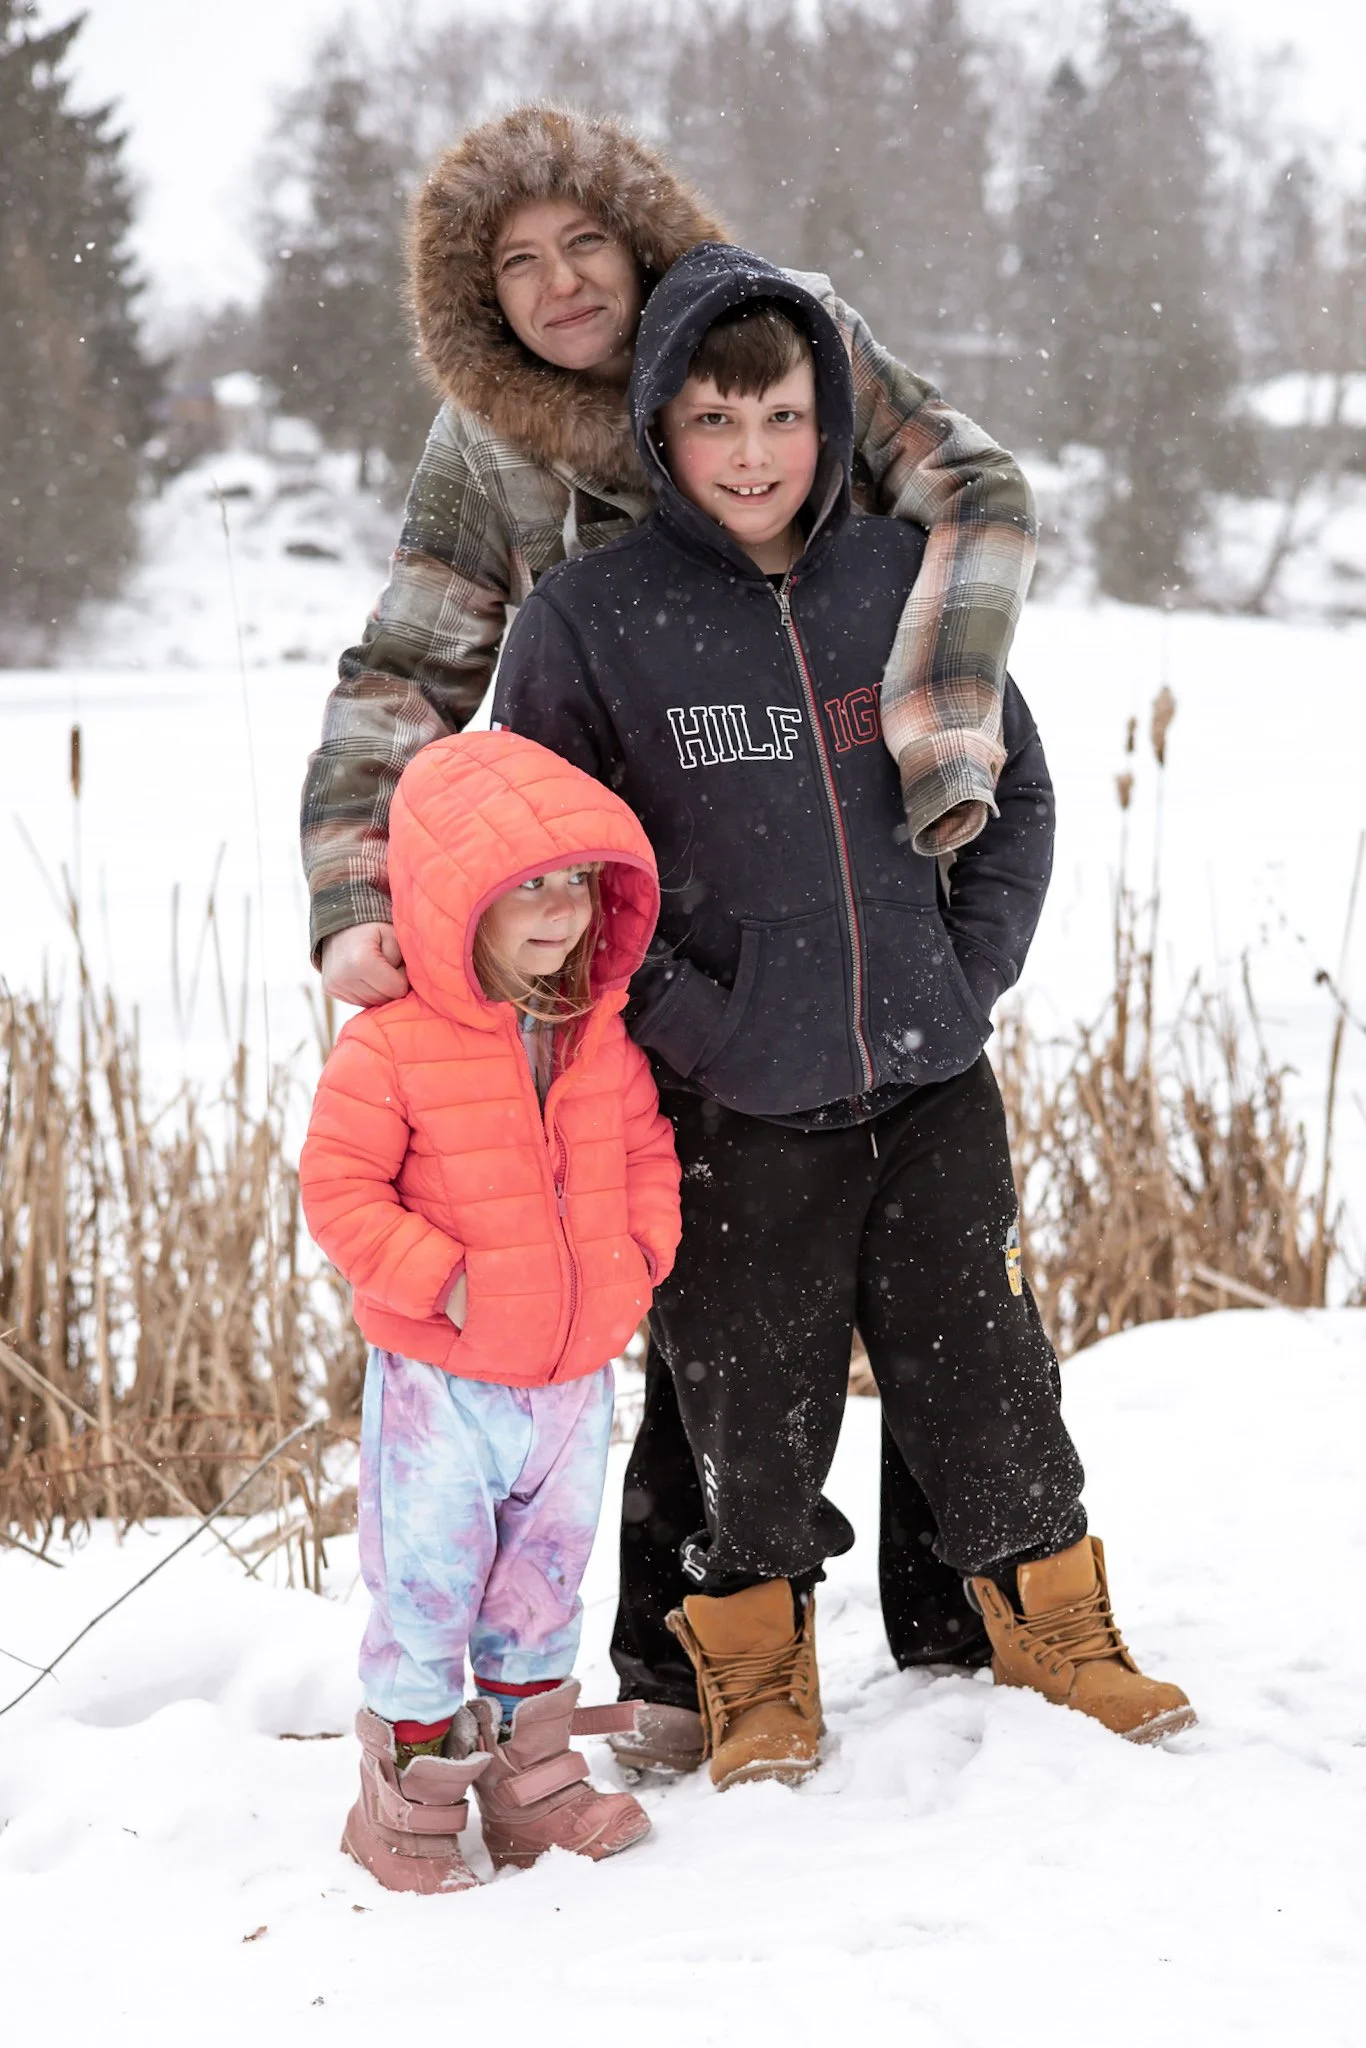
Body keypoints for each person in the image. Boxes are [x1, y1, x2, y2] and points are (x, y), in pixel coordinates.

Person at [300, 102, 1038, 1712]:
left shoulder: (797, 335)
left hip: (845, 891)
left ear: (641, 234)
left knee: (931, 1287)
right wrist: (362, 890)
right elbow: (408, 670)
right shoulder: (491, 448)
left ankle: (955, 1622)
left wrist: (942, 743)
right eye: (516, 264)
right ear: (475, 300)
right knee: (698, 1297)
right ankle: (678, 1651)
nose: (562, 283)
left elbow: (968, 490)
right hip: (655, 947)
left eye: (586, 242)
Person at [492, 243, 1195, 1789]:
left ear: (831, 422)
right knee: (747, 1403)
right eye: (716, 423)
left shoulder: (897, 576)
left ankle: (1051, 1624)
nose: (753, 457)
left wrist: (969, 975)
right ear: (660, 432)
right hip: (732, 1107)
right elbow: (545, 874)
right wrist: (700, 1026)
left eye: (786, 419)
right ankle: (752, 1670)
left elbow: (1013, 789)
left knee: (987, 1364)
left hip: (931, 1073)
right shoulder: (590, 623)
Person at [299, 728, 682, 1887]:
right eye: (527, 887)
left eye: (575, 880)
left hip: (569, 1382)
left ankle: (530, 1781)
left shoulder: (597, 1038)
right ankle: (406, 1793)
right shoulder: (393, 1045)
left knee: (543, 1578)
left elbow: (646, 1151)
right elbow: (338, 1189)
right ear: (452, 897)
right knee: (428, 1581)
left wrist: (636, 1258)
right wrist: (445, 1277)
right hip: (443, 1384)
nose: (560, 910)